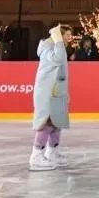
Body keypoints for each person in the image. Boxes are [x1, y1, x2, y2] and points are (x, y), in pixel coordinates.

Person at [30, 24, 72, 171]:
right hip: (47, 94)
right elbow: (58, 59)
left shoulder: (56, 48)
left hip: (56, 93)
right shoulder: (48, 49)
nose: (69, 38)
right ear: (58, 36)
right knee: (46, 123)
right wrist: (58, 41)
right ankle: (36, 156)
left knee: (56, 123)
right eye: (66, 35)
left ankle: (52, 152)